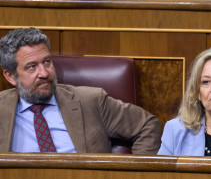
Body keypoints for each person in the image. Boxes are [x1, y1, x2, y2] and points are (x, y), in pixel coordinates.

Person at [0, 27, 161, 153]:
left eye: (47, 61)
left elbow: (147, 125)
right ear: (10, 76)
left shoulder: (90, 101)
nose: (44, 73)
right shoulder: (3, 109)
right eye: (32, 67)